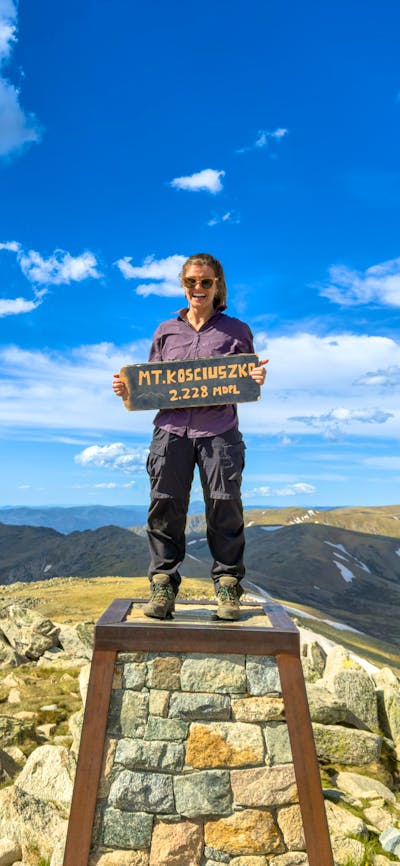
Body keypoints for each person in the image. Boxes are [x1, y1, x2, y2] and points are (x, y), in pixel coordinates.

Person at [113, 253, 267, 621]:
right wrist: (127, 389)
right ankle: (163, 583)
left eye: (206, 282)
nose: (198, 288)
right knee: (165, 505)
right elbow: (151, 383)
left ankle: (228, 584)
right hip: (170, 432)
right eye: (191, 282)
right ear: (184, 286)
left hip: (220, 432)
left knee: (224, 504)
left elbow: (243, 378)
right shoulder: (165, 330)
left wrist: (256, 380)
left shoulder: (237, 331)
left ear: (218, 286)